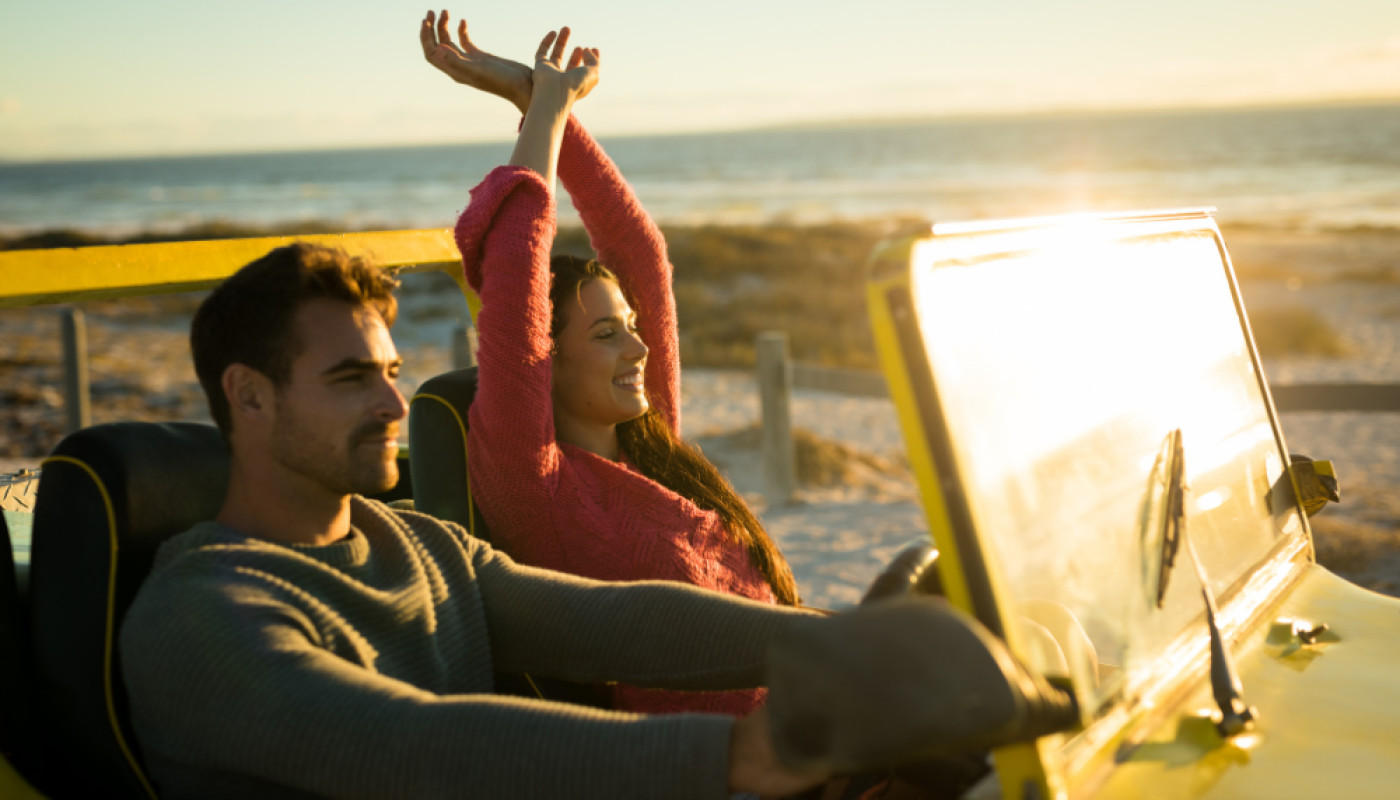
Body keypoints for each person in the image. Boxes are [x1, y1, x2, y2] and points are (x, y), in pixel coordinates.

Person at [118, 237, 831, 796]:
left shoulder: (419, 545)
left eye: (392, 375)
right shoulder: (202, 612)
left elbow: (615, 621)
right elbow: (418, 747)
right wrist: (740, 755)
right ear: (248, 397)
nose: (395, 408)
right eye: (350, 379)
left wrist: (831, 643)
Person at [421, 10, 799, 718]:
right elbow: (516, 259)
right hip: (744, 770)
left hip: (825, 719)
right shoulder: (537, 486)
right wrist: (547, 113)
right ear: (544, 361)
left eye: (629, 328)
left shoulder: (653, 446)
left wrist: (542, 105)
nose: (639, 346)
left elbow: (641, 256)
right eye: (605, 336)